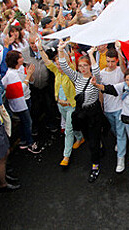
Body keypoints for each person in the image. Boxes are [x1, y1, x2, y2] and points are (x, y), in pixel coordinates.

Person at [92, 65, 129, 179]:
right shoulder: (122, 87)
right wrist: (96, 85)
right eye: (127, 80)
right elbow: (108, 88)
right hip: (127, 118)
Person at [58, 40, 104, 183]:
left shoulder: (95, 78)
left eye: (85, 66)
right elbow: (65, 67)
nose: (83, 68)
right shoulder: (76, 78)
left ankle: (95, 166)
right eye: (80, 66)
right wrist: (61, 50)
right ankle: (97, 146)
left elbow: (96, 70)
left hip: (94, 112)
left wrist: (91, 55)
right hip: (82, 114)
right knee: (89, 138)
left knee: (93, 143)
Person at [38, 40, 84, 168]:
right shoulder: (57, 72)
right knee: (72, 126)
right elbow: (47, 62)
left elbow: (67, 62)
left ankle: (66, 156)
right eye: (57, 64)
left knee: (68, 130)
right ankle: (80, 137)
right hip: (60, 106)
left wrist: (61, 50)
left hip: (71, 107)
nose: (58, 66)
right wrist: (40, 49)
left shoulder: (71, 74)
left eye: (61, 64)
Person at [1, 50, 41, 154]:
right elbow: (21, 88)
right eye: (20, 57)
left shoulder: (21, 68)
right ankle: (30, 143)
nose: (23, 59)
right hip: (20, 102)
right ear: (16, 61)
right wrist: (29, 75)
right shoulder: (11, 74)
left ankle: (23, 141)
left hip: (27, 98)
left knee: (24, 122)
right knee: (27, 122)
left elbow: (30, 81)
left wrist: (30, 75)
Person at [99, 44, 127, 173]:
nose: (110, 64)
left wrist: (120, 51)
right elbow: (100, 91)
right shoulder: (101, 74)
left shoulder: (120, 71)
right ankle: (121, 143)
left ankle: (120, 158)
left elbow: (124, 67)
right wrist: (102, 105)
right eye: (108, 61)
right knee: (114, 130)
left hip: (120, 107)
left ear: (116, 60)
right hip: (108, 108)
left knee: (120, 133)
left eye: (112, 61)